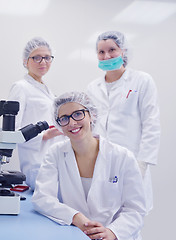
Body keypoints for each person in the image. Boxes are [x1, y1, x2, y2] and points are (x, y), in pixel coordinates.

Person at [32, 91, 146, 240]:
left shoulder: (122, 156)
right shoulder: (55, 154)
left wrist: (112, 232)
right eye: (64, 118)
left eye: (78, 114)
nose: (72, 123)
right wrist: (76, 217)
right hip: (76, 234)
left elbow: (135, 209)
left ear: (91, 115)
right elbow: (42, 197)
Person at [87, 31, 161, 213]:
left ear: (123, 51)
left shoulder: (142, 81)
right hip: (101, 163)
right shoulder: (92, 88)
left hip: (133, 161)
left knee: (131, 218)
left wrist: (142, 163)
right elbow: (90, 127)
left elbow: (151, 124)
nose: (107, 56)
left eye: (112, 49)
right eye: (101, 52)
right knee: (102, 217)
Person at [8, 37, 64, 190]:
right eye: (37, 58)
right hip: (35, 163)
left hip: (51, 158)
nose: (43, 62)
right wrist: (44, 136)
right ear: (26, 61)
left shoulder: (45, 89)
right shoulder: (21, 87)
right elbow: (12, 132)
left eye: (47, 57)